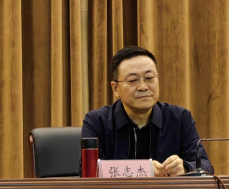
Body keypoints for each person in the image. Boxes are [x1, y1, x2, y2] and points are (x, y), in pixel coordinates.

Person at [81, 46, 213, 176]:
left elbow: (206, 167)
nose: (143, 87)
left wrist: (184, 168)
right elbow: (88, 173)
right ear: (115, 88)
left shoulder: (180, 118)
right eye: (133, 80)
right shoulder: (97, 121)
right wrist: (144, 170)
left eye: (149, 78)